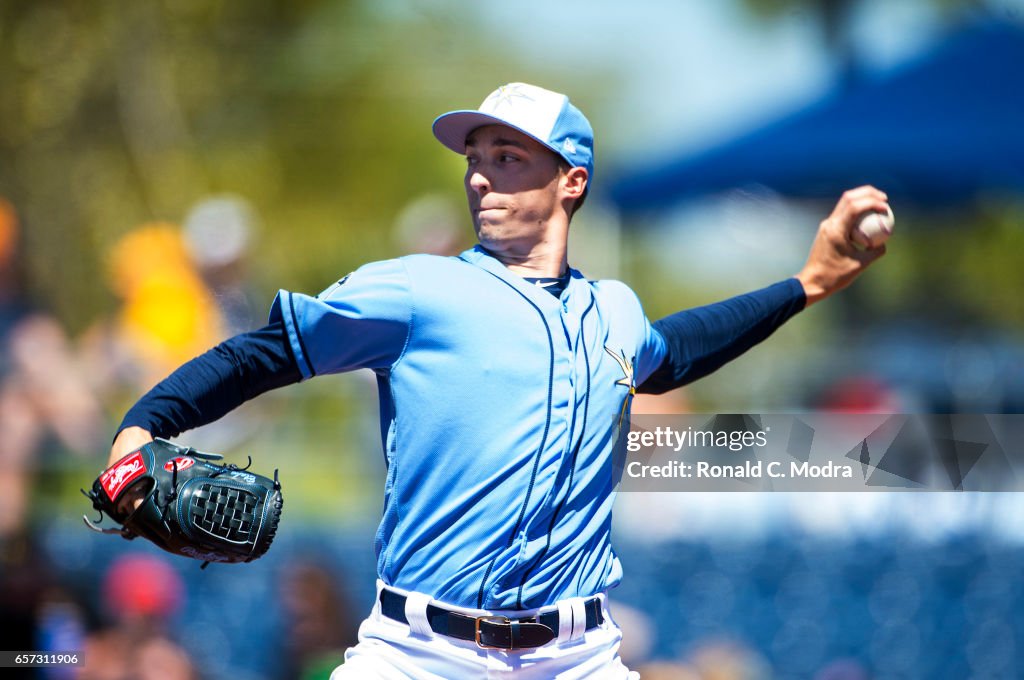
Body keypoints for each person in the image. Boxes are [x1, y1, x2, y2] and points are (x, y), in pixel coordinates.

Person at [106, 82, 888, 678]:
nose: (481, 178)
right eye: (476, 159)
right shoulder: (416, 291)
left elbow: (675, 350)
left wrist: (808, 283)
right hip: (418, 653)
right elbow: (263, 353)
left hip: (576, 656)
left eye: (508, 158)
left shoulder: (612, 311)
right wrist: (145, 424)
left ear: (570, 181)